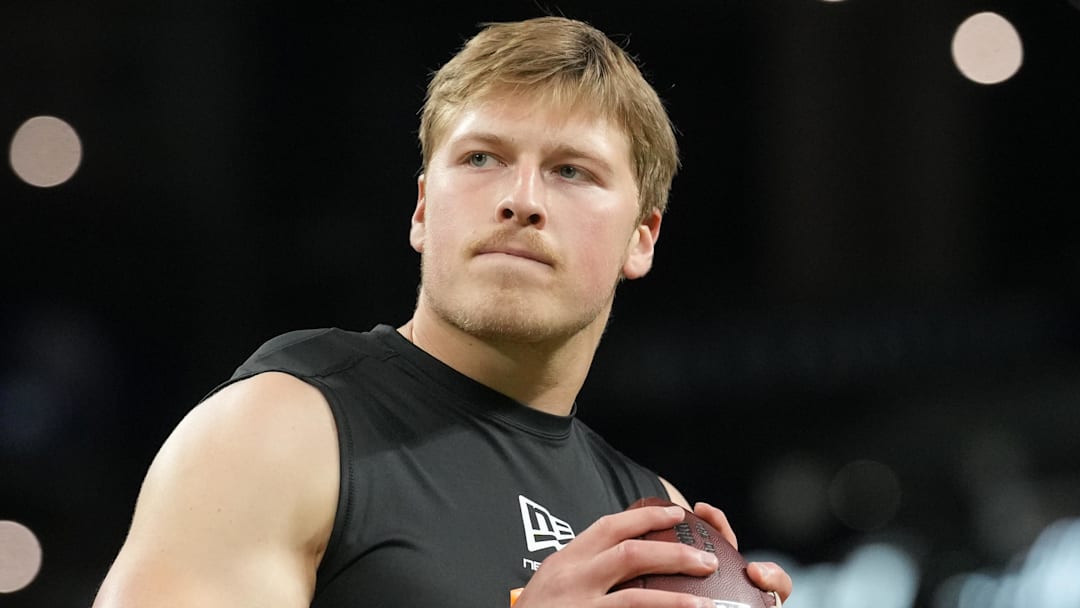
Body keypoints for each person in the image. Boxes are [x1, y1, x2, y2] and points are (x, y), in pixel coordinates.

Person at [93, 15, 792, 608]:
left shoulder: (650, 514)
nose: (521, 199)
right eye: (482, 158)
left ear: (641, 238)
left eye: (571, 170)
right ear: (424, 209)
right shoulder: (282, 428)